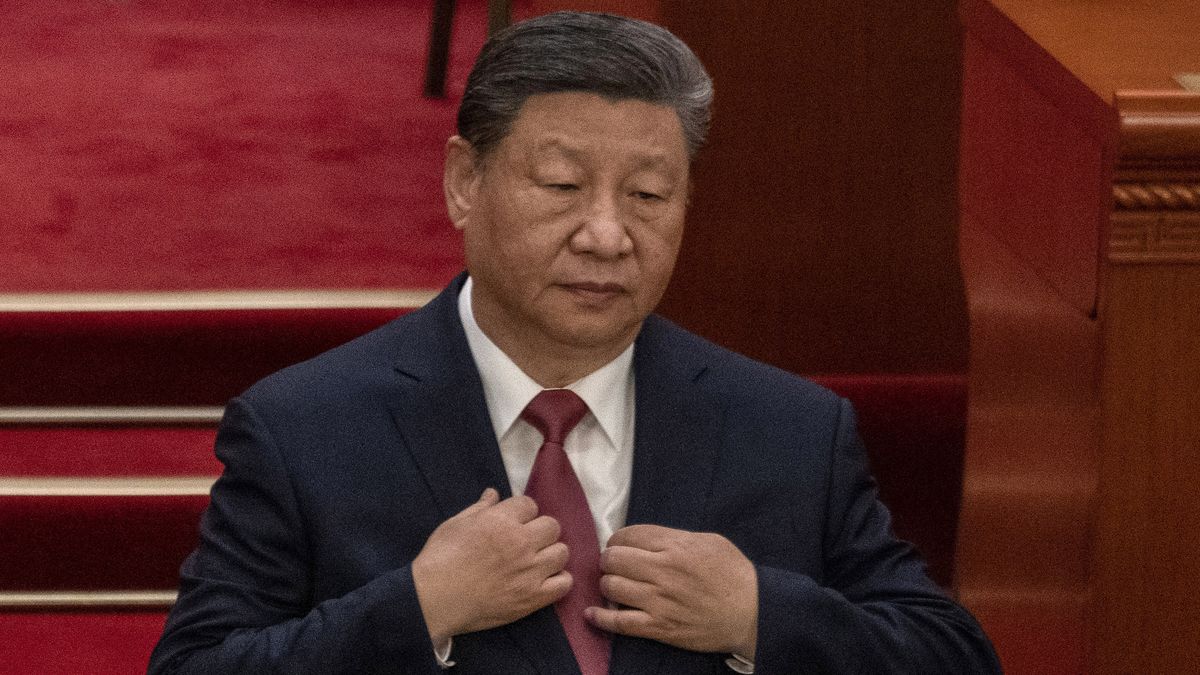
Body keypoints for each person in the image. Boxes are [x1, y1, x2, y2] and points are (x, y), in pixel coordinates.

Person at [149, 11, 1000, 675]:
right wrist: (417, 605)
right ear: (464, 182)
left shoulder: (791, 429)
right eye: (562, 185)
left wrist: (758, 614)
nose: (606, 235)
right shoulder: (305, 428)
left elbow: (951, 654)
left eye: (649, 195)